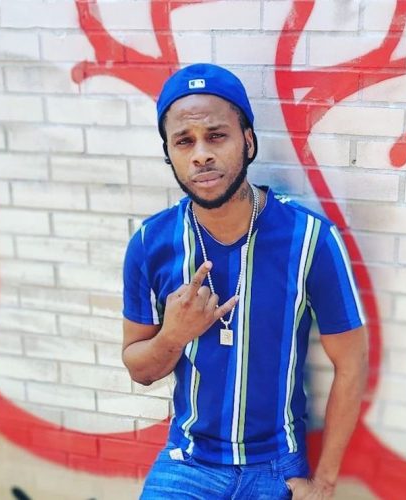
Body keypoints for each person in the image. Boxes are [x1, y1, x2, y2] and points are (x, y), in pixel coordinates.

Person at [121, 63, 368, 500]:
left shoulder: (309, 239)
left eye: (216, 136)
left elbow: (352, 362)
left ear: (248, 141)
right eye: (184, 141)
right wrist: (173, 336)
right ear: (169, 154)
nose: (201, 154)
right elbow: (139, 369)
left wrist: (324, 484)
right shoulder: (149, 243)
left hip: (276, 467)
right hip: (189, 462)